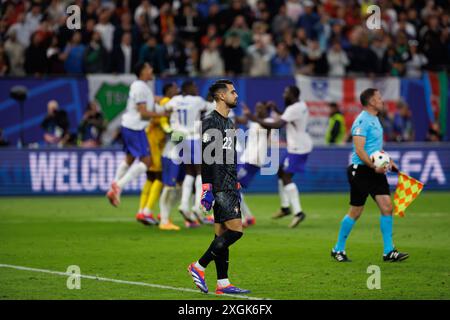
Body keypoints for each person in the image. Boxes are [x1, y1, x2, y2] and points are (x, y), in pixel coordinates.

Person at [188, 79, 250, 295]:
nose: (236, 95)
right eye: (233, 92)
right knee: (236, 231)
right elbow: (207, 158)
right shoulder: (210, 122)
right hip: (219, 184)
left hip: (229, 182)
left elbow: (228, 155)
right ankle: (198, 266)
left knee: (220, 235)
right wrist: (207, 187)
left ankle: (223, 283)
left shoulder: (229, 123)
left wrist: (235, 179)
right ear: (222, 96)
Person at [331, 88, 408, 262]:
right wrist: (374, 166)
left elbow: (375, 149)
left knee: (387, 207)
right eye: (379, 98)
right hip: (361, 170)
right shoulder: (362, 121)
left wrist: (389, 161)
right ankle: (338, 249)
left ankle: (389, 251)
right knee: (356, 211)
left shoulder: (375, 120)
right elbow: (359, 149)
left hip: (374, 170)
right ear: (371, 102)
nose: (382, 101)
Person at [244, 85, 312, 228]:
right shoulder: (301, 105)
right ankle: (285, 207)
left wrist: (253, 118)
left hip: (298, 147)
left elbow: (277, 125)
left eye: (286, 92)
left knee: (286, 176)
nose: (283, 95)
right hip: (297, 144)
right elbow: (288, 117)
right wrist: (276, 109)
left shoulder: (293, 108)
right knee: (281, 172)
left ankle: (298, 212)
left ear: (292, 94)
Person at [106, 62, 166, 207]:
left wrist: (161, 103)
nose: (151, 70)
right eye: (149, 68)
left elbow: (149, 103)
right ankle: (118, 185)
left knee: (129, 159)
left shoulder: (142, 86)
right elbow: (143, 112)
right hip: (135, 127)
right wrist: (163, 113)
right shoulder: (139, 87)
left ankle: (114, 189)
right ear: (142, 72)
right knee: (146, 162)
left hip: (130, 126)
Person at [165, 81, 213, 225]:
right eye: (194, 87)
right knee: (201, 172)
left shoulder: (176, 100)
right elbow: (211, 106)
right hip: (193, 137)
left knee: (189, 172)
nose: (197, 89)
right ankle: (198, 206)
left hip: (180, 138)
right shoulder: (197, 101)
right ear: (188, 89)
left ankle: (184, 204)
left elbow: (165, 108)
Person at [136, 82, 179, 230]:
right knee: (159, 177)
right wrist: (173, 132)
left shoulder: (162, 101)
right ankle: (148, 211)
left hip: (151, 139)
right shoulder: (167, 102)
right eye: (174, 88)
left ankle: (142, 211)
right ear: (169, 90)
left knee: (151, 177)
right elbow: (163, 122)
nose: (177, 90)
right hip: (155, 142)